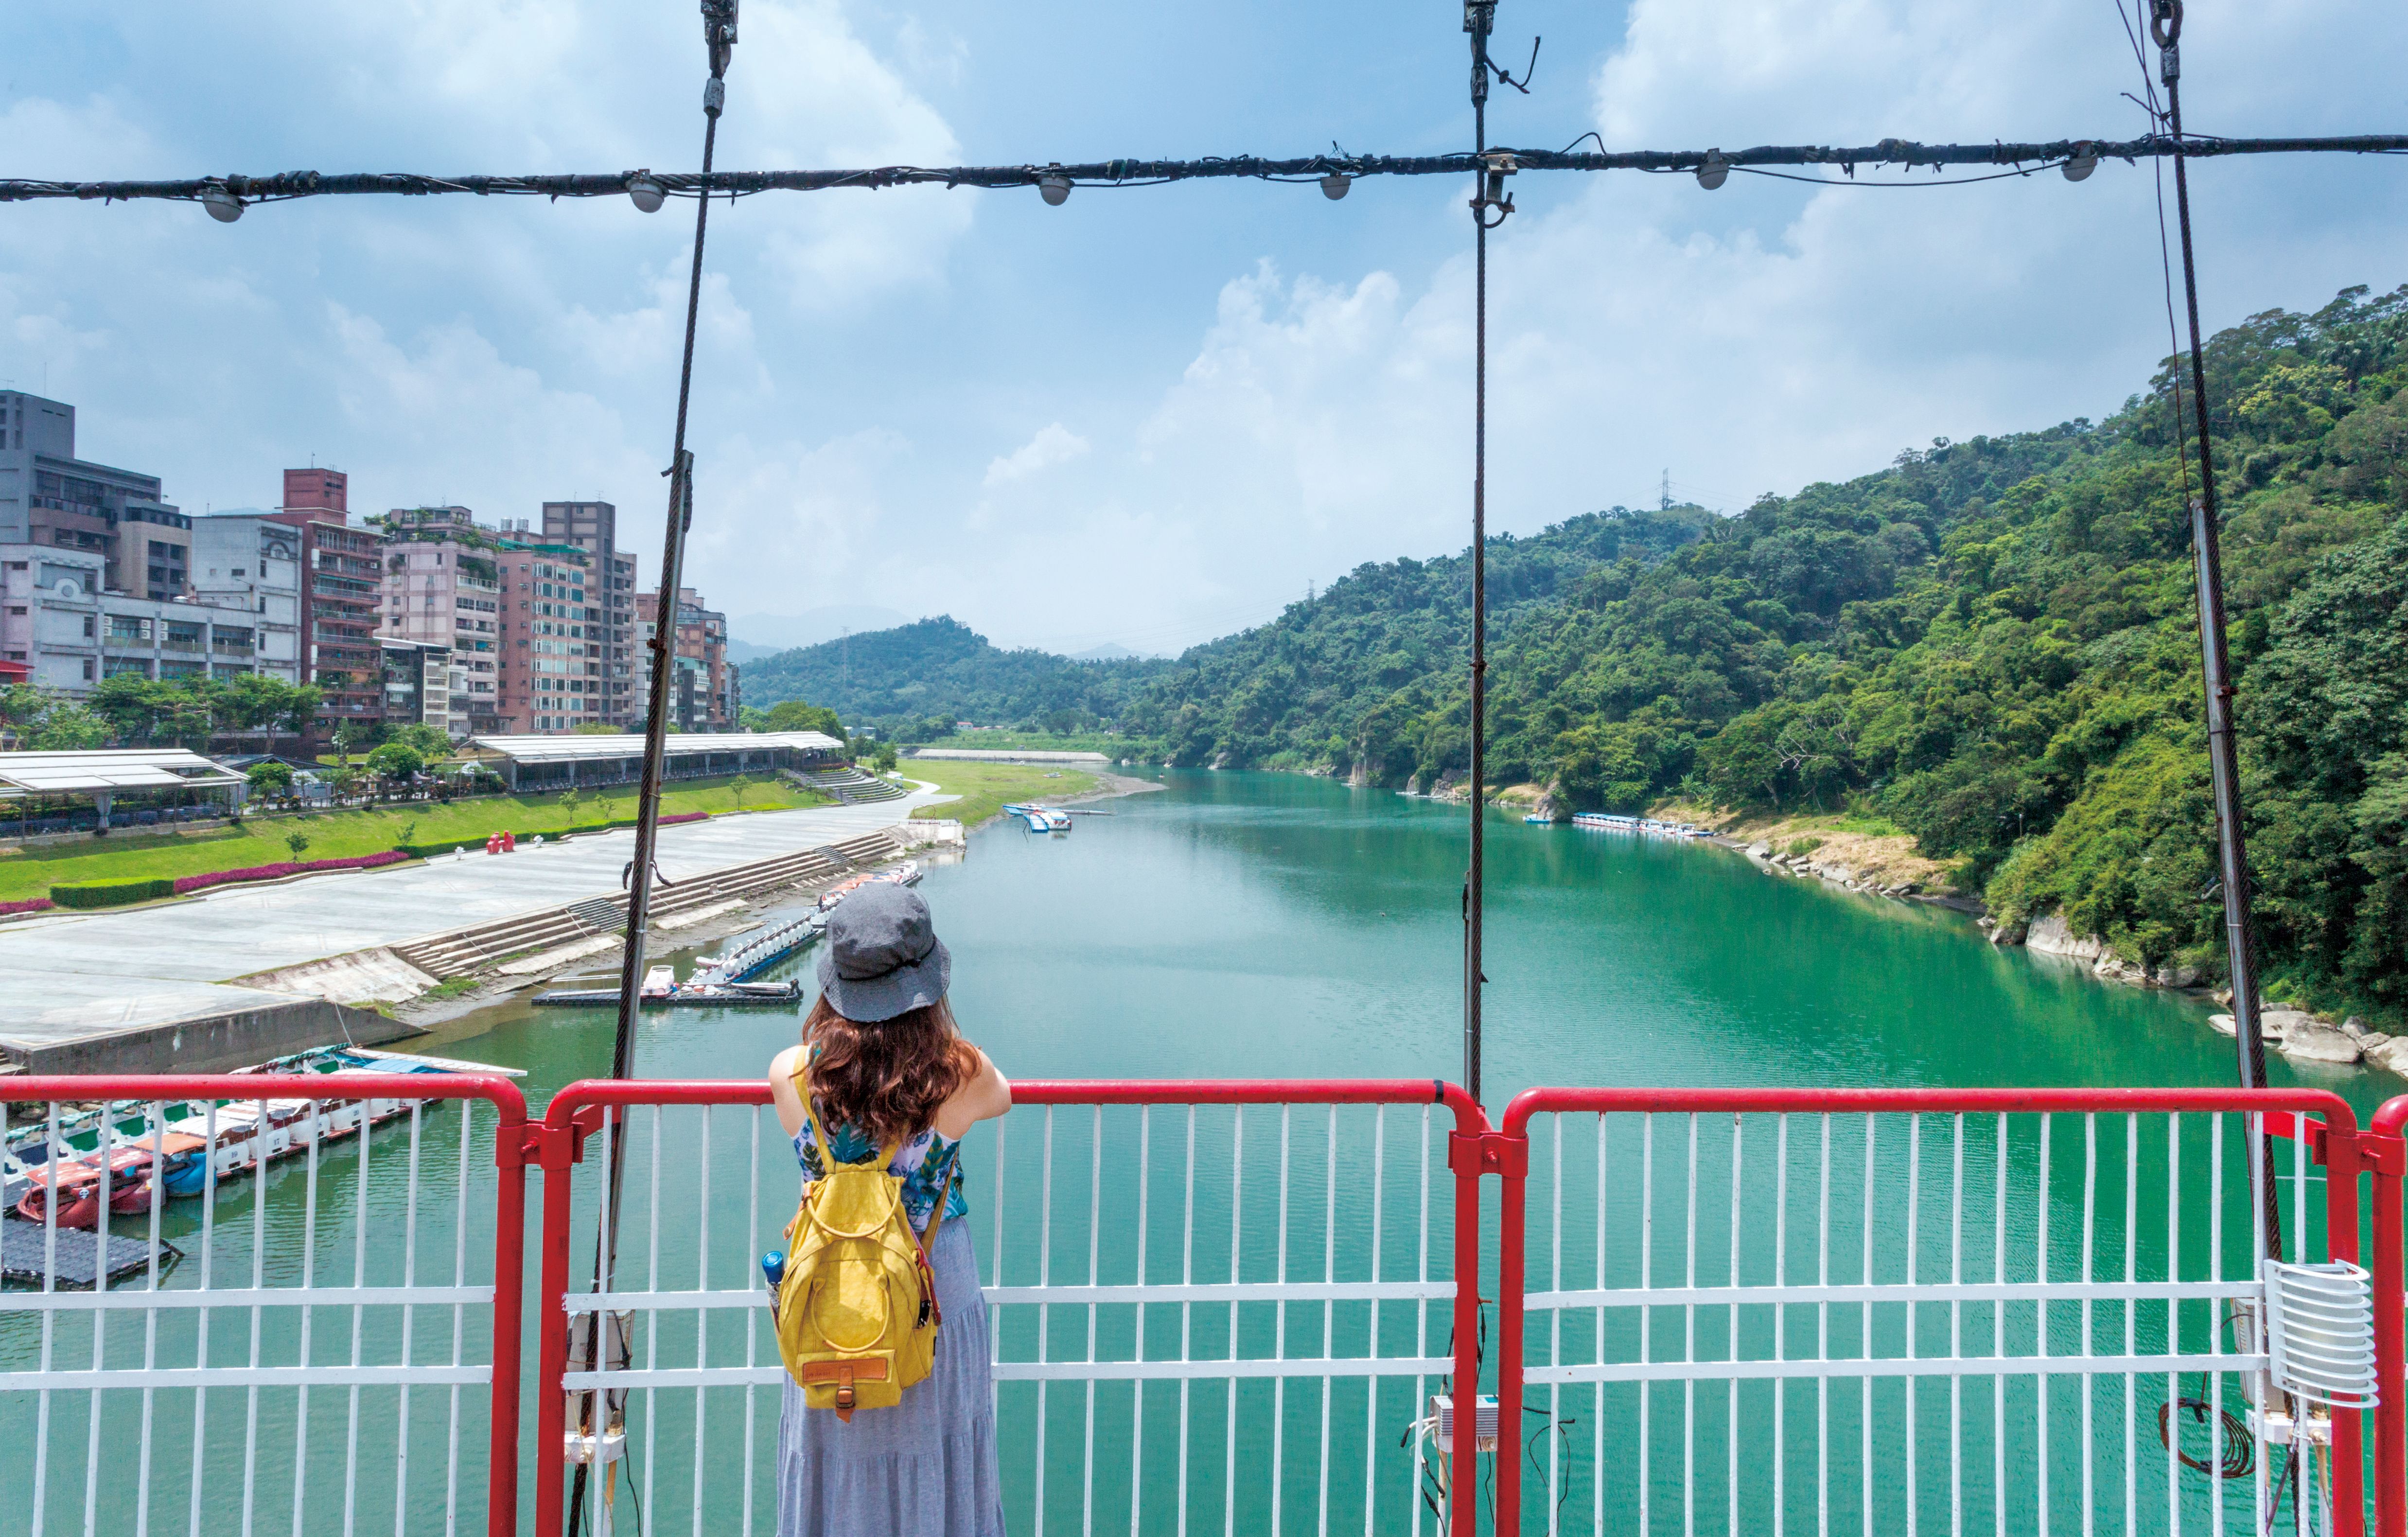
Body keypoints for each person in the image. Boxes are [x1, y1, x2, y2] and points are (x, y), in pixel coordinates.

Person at [767, 881, 1011, 1537]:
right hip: (930, 1288)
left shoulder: (791, 1072)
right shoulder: (960, 1073)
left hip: (831, 1295)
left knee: (832, 1455)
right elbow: (1003, 1097)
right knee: (941, 1451)